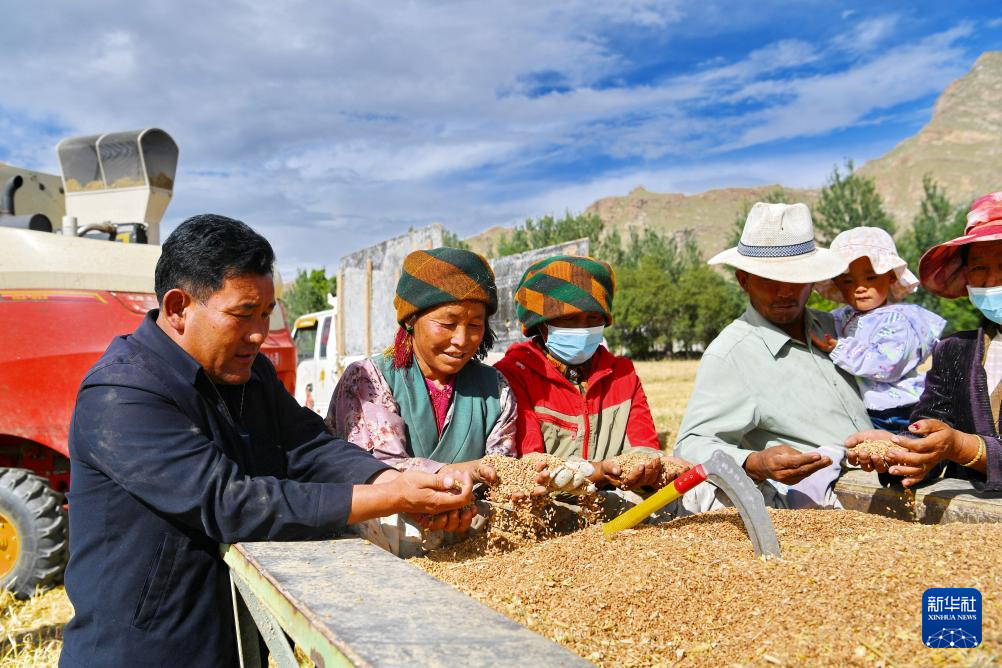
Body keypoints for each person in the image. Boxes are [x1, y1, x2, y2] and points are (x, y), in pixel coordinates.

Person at [60, 215, 475, 668]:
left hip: (229, 640)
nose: (259, 333)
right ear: (179, 308)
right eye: (243, 314)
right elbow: (228, 501)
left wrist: (393, 481)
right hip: (142, 650)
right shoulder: (123, 392)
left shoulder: (248, 374)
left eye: (266, 313)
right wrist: (387, 499)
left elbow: (308, 446)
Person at [674, 202, 872, 509]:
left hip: (881, 482)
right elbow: (691, 445)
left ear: (813, 280)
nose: (785, 292)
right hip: (819, 504)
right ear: (744, 280)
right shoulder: (732, 354)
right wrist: (755, 463)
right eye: (769, 279)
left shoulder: (837, 327)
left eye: (796, 278)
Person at [325, 247, 515, 552]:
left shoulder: (496, 389)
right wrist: (466, 473)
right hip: (390, 539)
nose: (461, 340)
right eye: (448, 324)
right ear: (411, 319)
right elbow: (379, 468)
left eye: (475, 325)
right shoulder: (369, 379)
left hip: (465, 531)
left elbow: (502, 469)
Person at [495, 255, 687, 497]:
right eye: (569, 318)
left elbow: (643, 449)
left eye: (593, 318)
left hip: (615, 501)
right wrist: (598, 472)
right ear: (541, 325)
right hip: (549, 508)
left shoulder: (622, 375)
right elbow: (532, 469)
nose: (583, 329)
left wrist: (653, 471)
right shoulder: (514, 375)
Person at [846, 192, 1002, 490]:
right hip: (963, 518)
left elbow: (952, 444)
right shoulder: (955, 350)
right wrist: (902, 448)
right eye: (979, 268)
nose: (992, 280)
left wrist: (962, 447)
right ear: (966, 276)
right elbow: (932, 429)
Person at [813, 227, 946, 433]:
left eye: (871, 278)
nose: (860, 288)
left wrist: (838, 348)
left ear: (891, 276)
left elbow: (888, 365)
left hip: (898, 410)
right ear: (837, 283)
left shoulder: (897, 320)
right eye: (848, 281)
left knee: (901, 449)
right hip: (866, 408)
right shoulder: (842, 316)